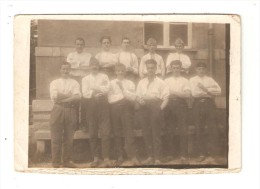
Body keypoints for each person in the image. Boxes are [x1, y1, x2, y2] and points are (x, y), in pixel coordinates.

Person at [136, 59, 170, 165]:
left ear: (156, 69)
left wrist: (159, 109)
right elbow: (137, 95)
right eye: (148, 68)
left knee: (156, 133)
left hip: (156, 107)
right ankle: (150, 156)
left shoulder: (161, 82)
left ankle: (158, 159)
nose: (150, 70)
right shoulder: (142, 82)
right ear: (146, 69)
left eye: (152, 68)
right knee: (146, 133)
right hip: (144, 108)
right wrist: (140, 100)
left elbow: (166, 98)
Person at [49, 62, 81, 168]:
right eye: (63, 69)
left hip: (71, 110)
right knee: (56, 137)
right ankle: (56, 162)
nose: (65, 71)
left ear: (70, 70)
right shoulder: (54, 82)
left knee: (69, 138)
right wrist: (70, 96)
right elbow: (55, 97)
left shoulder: (74, 82)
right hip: (58, 110)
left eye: (67, 69)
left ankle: (66, 161)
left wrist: (64, 97)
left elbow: (77, 97)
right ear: (60, 70)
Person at [81, 57, 112, 167]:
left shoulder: (104, 76)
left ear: (98, 66)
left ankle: (106, 158)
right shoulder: (85, 79)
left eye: (96, 64)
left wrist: (93, 89)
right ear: (89, 66)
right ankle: (96, 158)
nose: (94, 66)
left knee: (106, 132)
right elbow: (85, 93)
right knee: (93, 133)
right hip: (91, 106)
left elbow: (107, 89)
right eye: (92, 64)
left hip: (103, 105)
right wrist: (98, 89)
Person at [108, 63, 140, 166]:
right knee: (117, 133)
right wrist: (123, 96)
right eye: (118, 71)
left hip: (127, 109)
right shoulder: (111, 83)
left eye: (122, 70)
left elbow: (133, 97)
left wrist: (122, 90)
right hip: (115, 108)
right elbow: (110, 99)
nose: (120, 72)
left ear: (125, 72)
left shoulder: (130, 83)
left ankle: (133, 156)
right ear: (115, 72)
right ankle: (120, 156)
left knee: (129, 132)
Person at [189, 62, 221, 163]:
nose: (201, 71)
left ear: (205, 70)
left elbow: (219, 91)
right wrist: (209, 93)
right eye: (199, 69)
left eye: (203, 69)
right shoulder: (192, 80)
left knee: (213, 128)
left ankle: (213, 153)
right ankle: (201, 153)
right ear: (196, 70)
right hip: (198, 104)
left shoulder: (210, 79)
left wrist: (205, 89)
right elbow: (194, 93)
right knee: (199, 128)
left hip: (210, 105)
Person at [164, 60, 191, 164]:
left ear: (181, 68)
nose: (176, 69)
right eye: (174, 68)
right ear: (171, 69)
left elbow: (187, 95)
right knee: (169, 129)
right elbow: (165, 94)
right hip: (169, 105)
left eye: (178, 67)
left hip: (181, 105)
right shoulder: (166, 81)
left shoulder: (185, 80)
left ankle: (183, 155)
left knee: (183, 129)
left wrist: (174, 92)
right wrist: (179, 93)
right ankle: (170, 154)